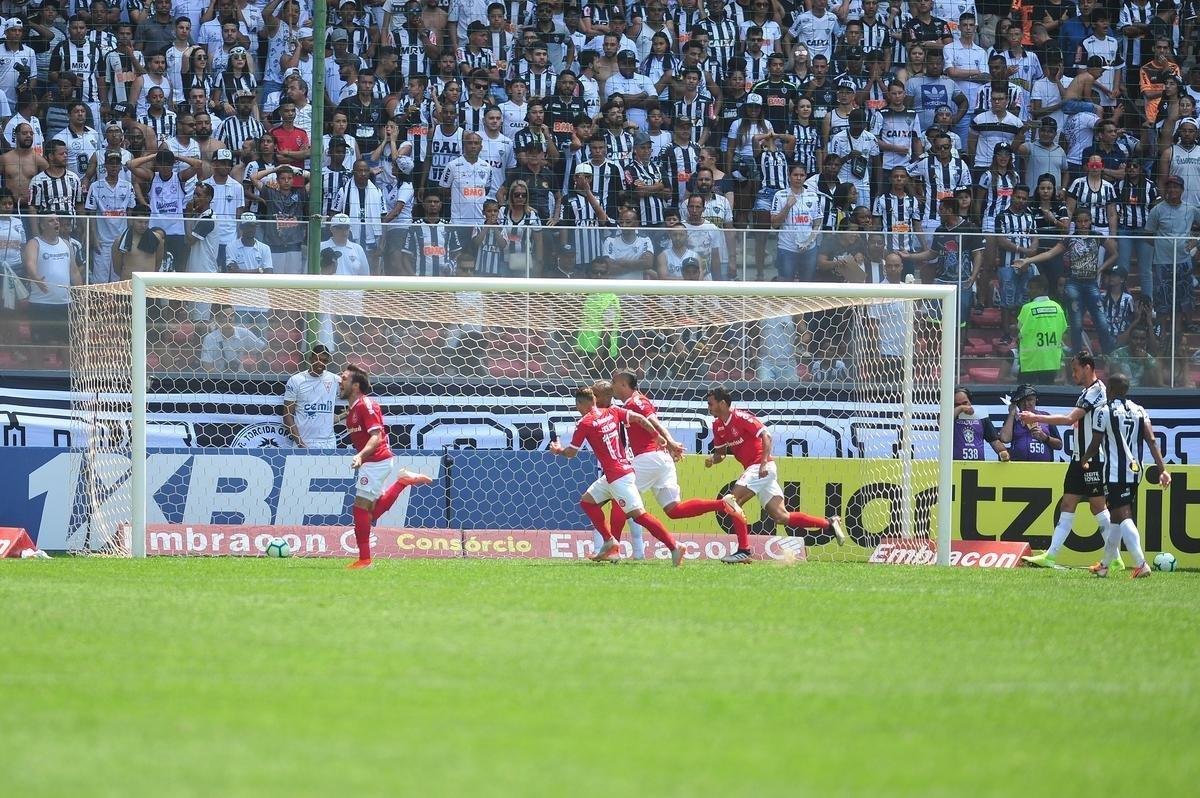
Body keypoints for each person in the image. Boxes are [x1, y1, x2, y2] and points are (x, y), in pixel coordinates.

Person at [602, 373, 751, 563]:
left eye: (614, 383)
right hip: (661, 459)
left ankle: (613, 551)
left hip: (650, 458)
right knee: (674, 510)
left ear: (624, 384)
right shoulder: (633, 403)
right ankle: (723, 504)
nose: (612, 386)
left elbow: (654, 422)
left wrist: (670, 442)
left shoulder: (636, 402)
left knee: (619, 497)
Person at [549, 386, 686, 566]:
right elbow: (639, 418)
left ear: (580, 404)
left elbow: (571, 453)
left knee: (639, 515)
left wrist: (558, 450)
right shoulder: (613, 411)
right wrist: (657, 436)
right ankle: (610, 541)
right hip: (619, 472)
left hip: (619, 478)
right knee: (587, 502)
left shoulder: (585, 423)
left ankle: (674, 546)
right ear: (595, 400)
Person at [704, 387, 846, 552]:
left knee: (732, 501)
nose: (709, 407)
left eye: (711, 404)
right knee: (781, 516)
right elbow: (720, 454)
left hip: (761, 467)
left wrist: (763, 462)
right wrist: (712, 460)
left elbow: (766, 436)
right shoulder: (717, 425)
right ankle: (829, 523)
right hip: (757, 471)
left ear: (722, 403)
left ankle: (743, 550)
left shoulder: (741, 417)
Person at [1019, 351, 1110, 569]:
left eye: (1076, 369)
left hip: (1093, 458)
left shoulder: (1097, 390)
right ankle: (1050, 556)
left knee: (1098, 508)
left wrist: (1035, 417)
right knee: (1068, 504)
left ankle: (1113, 558)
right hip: (1078, 458)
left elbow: (1069, 418)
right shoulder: (1086, 392)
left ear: (1087, 367)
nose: (1073, 374)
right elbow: (1078, 420)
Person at [340, 363, 433, 569]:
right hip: (371, 462)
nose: (340, 380)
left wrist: (360, 455)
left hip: (377, 461)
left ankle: (365, 560)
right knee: (369, 512)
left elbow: (376, 436)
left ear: (356, 386)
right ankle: (403, 482)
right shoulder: (354, 408)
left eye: (344, 378)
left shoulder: (366, 405)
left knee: (360, 509)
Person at [1080, 372, 1171, 578]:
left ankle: (1140, 564)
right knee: (1115, 518)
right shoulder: (1139, 410)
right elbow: (1152, 441)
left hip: (1114, 473)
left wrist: (1084, 459)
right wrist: (1163, 469)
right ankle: (1104, 565)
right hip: (1134, 472)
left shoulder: (1103, 411)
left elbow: (1095, 444)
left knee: (1123, 516)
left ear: (1110, 390)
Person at [282, 344, 339, 449]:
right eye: (317, 359)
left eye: (324, 361)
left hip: (328, 443)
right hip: (304, 443)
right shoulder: (296, 380)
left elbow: (356, 390)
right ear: (310, 359)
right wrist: (300, 443)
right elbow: (287, 416)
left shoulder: (334, 379)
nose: (320, 363)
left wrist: (345, 414)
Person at [1015, 276, 1068, 383]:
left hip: (1030, 361)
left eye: (1032, 288)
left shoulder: (1027, 308)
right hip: (1051, 361)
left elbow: (1019, 332)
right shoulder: (1057, 307)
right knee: (1046, 395)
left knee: (1024, 395)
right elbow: (1063, 330)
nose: (1029, 291)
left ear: (1042, 290)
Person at [999, 383, 1062, 462]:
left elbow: (1059, 445)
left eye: (1029, 400)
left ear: (1036, 400)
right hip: (1018, 467)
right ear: (1017, 403)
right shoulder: (1013, 419)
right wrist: (1011, 413)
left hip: (1044, 468)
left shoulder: (1045, 416)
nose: (1026, 404)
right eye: (1022, 400)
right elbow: (1004, 439)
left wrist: (1045, 438)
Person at [953, 387, 1010, 461]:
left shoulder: (981, 417)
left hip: (979, 465)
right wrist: (960, 409)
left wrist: (1002, 452)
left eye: (965, 403)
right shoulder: (950, 419)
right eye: (957, 404)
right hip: (954, 465)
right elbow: (941, 423)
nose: (963, 407)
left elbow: (994, 441)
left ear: (970, 401)